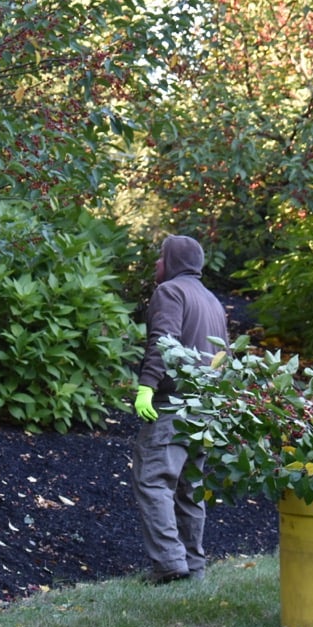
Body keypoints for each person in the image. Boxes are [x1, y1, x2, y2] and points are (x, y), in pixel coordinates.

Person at [131, 235, 229, 583]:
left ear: (173, 261)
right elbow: (223, 358)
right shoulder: (212, 301)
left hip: (174, 405)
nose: (157, 265)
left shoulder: (171, 292)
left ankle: (170, 566)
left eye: (160, 258)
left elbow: (164, 340)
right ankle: (194, 567)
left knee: (153, 480)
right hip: (205, 408)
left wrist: (147, 386)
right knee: (190, 489)